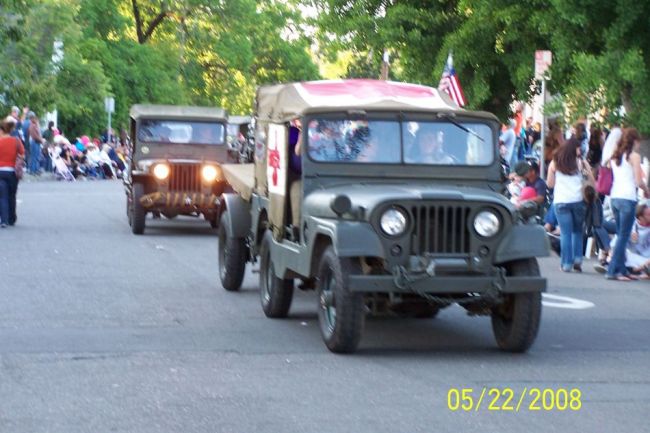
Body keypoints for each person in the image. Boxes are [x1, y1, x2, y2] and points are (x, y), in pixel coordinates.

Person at [606, 128, 650, 281]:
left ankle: (622, 269)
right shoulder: (634, 156)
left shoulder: (615, 155)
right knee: (623, 237)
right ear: (635, 141)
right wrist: (646, 189)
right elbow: (638, 181)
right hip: (627, 198)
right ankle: (613, 270)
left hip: (615, 197)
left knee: (620, 235)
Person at [547, 138, 595, 272]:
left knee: (565, 233)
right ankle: (578, 259)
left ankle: (566, 264)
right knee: (577, 231)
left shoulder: (555, 162)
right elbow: (591, 180)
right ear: (574, 148)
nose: (581, 150)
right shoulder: (581, 162)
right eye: (579, 148)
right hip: (578, 200)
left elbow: (550, 184)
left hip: (561, 201)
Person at [0, 116, 25, 227]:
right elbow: (22, 154)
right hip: (12, 172)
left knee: (2, 196)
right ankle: (11, 218)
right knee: (12, 195)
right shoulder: (16, 141)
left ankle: (4, 220)